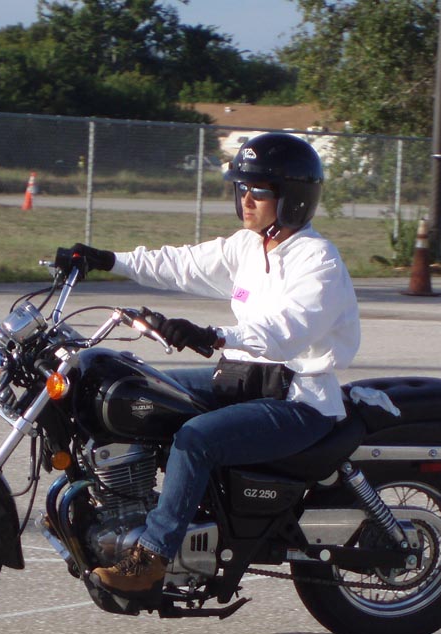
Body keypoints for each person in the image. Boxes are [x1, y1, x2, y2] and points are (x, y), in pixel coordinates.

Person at [70, 131, 361, 595]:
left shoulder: (317, 260)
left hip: (299, 399)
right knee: (139, 391)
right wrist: (107, 260)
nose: (246, 199)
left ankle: (153, 556)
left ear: (292, 198)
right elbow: (181, 263)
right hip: (242, 379)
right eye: (241, 188)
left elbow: (287, 330)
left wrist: (213, 336)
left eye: (258, 190)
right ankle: (112, 508)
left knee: (196, 439)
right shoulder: (249, 246)